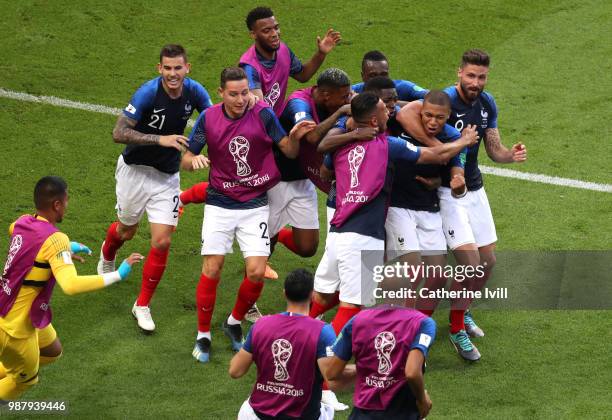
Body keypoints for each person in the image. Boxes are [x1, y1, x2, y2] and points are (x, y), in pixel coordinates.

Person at [397, 49, 527, 360]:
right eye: (470, 75)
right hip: (446, 193)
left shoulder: (487, 103)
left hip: (474, 190)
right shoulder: (441, 102)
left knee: (489, 262)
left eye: (481, 77)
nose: (476, 82)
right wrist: (442, 151)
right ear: (459, 73)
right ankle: (452, 328)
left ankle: (462, 310)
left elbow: (493, 148)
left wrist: (510, 155)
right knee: (465, 264)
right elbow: (403, 114)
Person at [312, 93, 477, 338]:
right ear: (374, 122)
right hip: (363, 235)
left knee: (324, 294)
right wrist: (464, 141)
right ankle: (326, 359)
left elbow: (325, 172)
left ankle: (300, 331)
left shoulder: (340, 145)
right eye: (383, 110)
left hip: (337, 232)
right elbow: (437, 155)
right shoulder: (388, 145)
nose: (389, 111)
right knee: (352, 306)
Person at [181, 67, 315, 363]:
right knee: (212, 268)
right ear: (221, 93)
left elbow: (288, 151)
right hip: (219, 203)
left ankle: (233, 321)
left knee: (256, 271)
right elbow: (186, 158)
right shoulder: (208, 118)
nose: (241, 99)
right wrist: (194, 162)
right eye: (233, 94)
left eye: (244, 92)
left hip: (255, 203)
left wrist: (294, 138)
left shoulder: (263, 114)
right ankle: (203, 334)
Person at [96, 44, 212, 333]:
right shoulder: (148, 93)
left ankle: (142, 304)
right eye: (168, 68)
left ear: (188, 68)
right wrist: (160, 140)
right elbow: (118, 132)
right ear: (159, 69)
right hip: (134, 171)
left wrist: (193, 151)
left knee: (161, 241)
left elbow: (213, 121)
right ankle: (108, 253)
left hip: (167, 177)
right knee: (127, 230)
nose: (173, 74)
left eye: (178, 68)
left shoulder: (195, 92)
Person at [0, 176, 141, 400]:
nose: (67, 205)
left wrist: (63, 252)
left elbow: (20, 236)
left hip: (14, 310)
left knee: (52, 351)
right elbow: (71, 285)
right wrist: (118, 274)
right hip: (15, 330)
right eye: (66, 200)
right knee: (24, 380)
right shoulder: (56, 240)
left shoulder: (22, 222)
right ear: (56, 205)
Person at [229, 269, 353, 420]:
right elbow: (333, 380)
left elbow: (235, 371)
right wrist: (362, 368)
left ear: (284, 293)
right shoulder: (322, 331)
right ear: (313, 295)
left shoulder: (261, 325)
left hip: (257, 415)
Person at [386, 90, 468, 315]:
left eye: (439, 117)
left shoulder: (453, 139)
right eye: (428, 115)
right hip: (398, 207)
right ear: (420, 111)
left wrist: (457, 183)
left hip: (429, 209)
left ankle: (417, 324)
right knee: (413, 271)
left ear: (449, 116)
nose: (433, 122)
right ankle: (392, 323)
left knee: (439, 276)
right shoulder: (400, 124)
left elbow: (457, 173)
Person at [269, 68, 352, 260]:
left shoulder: (334, 96)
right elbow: (312, 137)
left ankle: (279, 234)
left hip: (303, 179)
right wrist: (340, 112)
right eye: (343, 97)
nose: (347, 100)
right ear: (325, 95)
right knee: (264, 249)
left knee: (307, 248)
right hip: (275, 181)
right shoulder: (298, 103)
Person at [326, 305, 436, 419]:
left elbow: (332, 373)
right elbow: (412, 373)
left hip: (362, 415)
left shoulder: (357, 320)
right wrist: (422, 399)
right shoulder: (423, 323)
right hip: (403, 412)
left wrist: (369, 368)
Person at [239, 6, 341, 116]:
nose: (274, 34)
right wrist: (282, 133)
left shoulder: (283, 50)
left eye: (276, 27)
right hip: (259, 125)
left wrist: (321, 53)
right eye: (266, 31)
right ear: (253, 34)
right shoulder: (249, 68)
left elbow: (303, 75)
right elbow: (260, 113)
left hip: (277, 116)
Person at [351, 50, 428, 103]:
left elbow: (432, 97)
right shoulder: (353, 92)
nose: (379, 80)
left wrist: (393, 103)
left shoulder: (403, 87)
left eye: (383, 74)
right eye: (373, 75)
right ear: (363, 76)